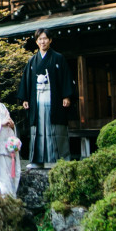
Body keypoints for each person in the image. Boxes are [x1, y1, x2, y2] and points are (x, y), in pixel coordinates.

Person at [17, 28, 75, 168]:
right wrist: (25, 98)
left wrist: (66, 96)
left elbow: (66, 77)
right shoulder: (32, 61)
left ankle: (62, 160)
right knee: (38, 130)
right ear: (36, 42)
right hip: (36, 100)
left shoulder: (58, 58)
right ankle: (37, 160)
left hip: (53, 100)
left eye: (45, 38)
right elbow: (27, 81)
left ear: (50, 40)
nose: (42, 41)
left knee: (56, 129)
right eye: (40, 39)